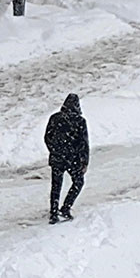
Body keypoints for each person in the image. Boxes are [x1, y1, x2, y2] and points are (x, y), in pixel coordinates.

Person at [44, 93, 89, 225]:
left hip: (57, 158)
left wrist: (54, 150)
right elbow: (84, 144)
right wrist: (84, 161)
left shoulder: (55, 118)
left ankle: (53, 212)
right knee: (78, 182)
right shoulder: (80, 121)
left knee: (56, 185)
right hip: (72, 159)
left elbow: (47, 137)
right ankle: (66, 207)